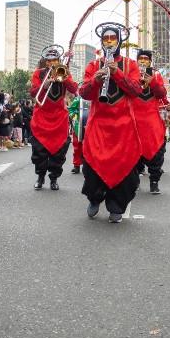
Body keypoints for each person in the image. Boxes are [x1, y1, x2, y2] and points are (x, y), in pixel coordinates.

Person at [79, 23, 142, 223]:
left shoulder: (131, 65)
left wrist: (117, 73)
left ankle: (116, 205)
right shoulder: (92, 65)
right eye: (105, 39)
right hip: (99, 126)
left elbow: (136, 90)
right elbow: (83, 93)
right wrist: (95, 81)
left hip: (123, 127)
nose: (108, 42)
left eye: (112, 38)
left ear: (118, 41)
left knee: (124, 166)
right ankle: (94, 198)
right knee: (92, 166)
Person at [29, 46, 78, 191]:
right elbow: (33, 93)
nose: (52, 63)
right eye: (49, 60)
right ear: (45, 61)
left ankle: (54, 178)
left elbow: (74, 89)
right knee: (39, 150)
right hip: (41, 117)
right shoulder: (38, 73)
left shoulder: (64, 71)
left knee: (59, 152)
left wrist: (64, 78)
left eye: (55, 60)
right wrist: (44, 85)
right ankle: (40, 176)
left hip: (59, 118)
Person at [132, 50, 167, 194]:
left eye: (146, 59)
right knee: (132, 153)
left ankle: (154, 182)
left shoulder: (157, 75)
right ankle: (133, 182)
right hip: (133, 118)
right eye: (140, 58)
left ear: (150, 62)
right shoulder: (131, 73)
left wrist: (152, 82)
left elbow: (162, 94)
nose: (143, 61)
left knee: (156, 150)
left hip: (151, 119)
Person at [67, 95, 87, 174]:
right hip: (79, 126)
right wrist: (76, 119)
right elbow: (71, 110)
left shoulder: (95, 97)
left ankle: (88, 166)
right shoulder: (78, 99)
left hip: (92, 126)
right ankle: (76, 165)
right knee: (77, 147)